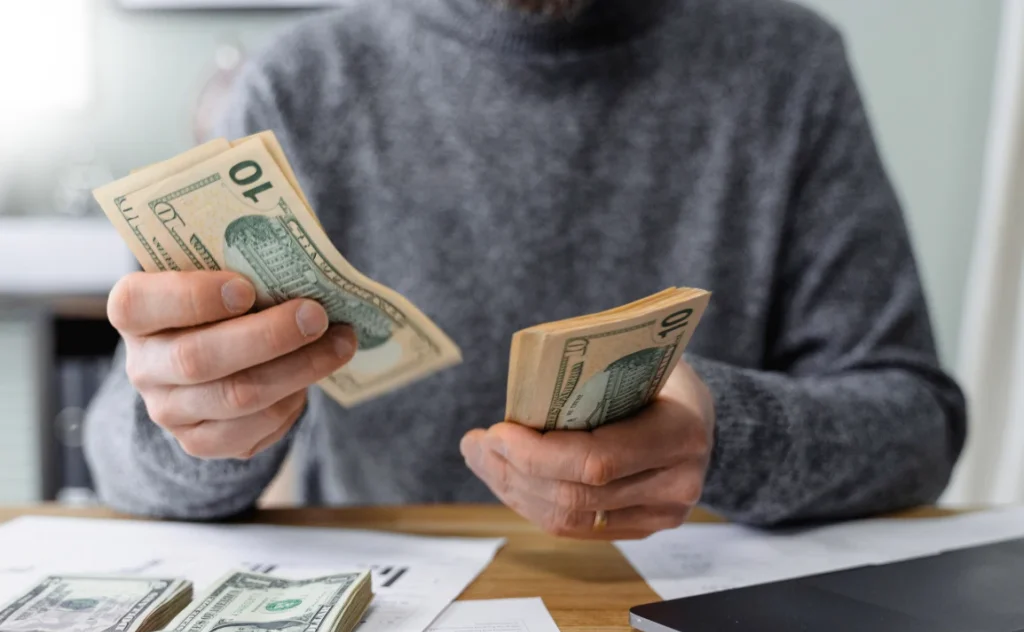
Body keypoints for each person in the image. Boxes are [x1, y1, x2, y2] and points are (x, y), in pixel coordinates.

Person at [83, 0, 968, 538]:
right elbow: (121, 452)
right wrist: (198, 425)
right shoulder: (297, 85)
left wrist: (726, 437)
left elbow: (918, 424)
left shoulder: (787, 67)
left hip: (705, 628)